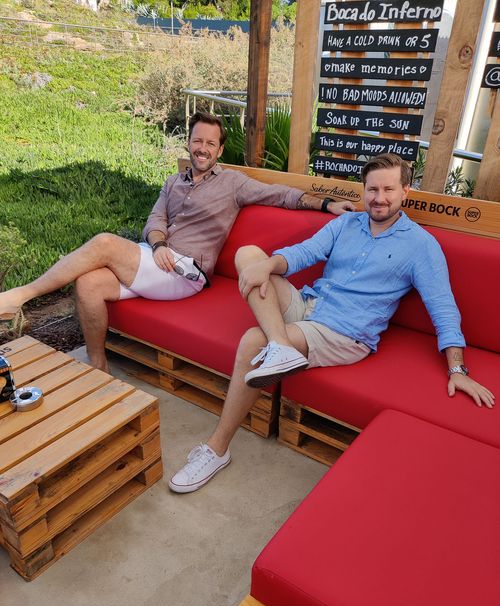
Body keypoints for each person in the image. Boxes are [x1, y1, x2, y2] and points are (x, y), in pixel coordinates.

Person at [169, 152, 495, 494]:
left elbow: (443, 308)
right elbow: (305, 252)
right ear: (364, 189)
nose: (379, 198)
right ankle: (281, 345)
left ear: (405, 191)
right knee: (248, 256)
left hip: (344, 332)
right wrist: (269, 265)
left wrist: (457, 369)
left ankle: (217, 449)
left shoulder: (421, 245)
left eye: (388, 190)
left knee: (253, 340)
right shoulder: (347, 223)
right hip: (310, 305)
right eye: (372, 189)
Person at [0, 111, 353, 372]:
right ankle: (99, 364)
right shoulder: (174, 182)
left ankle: (19, 296)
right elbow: (155, 221)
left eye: (210, 143)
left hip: (188, 273)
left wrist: (325, 204)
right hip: (158, 259)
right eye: (198, 141)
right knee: (89, 283)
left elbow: (282, 195)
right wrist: (158, 245)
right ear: (189, 142)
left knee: (105, 242)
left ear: (220, 150)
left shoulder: (233, 183)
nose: (203, 149)